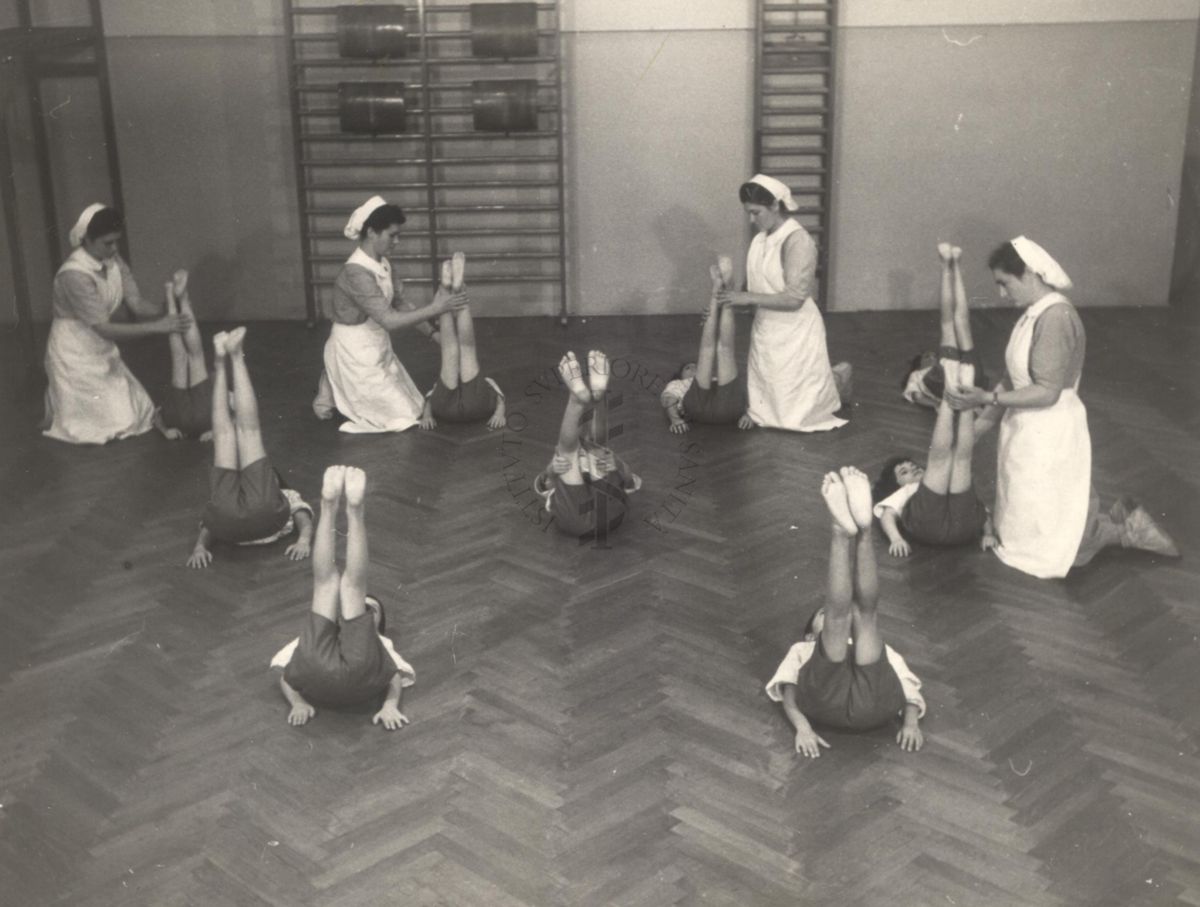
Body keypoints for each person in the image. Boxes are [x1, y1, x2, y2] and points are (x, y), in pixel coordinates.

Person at [946, 237, 1178, 578]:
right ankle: (1109, 521)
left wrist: (985, 399)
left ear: (1029, 274)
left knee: (1059, 532)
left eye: (1004, 284)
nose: (1001, 294)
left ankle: (1125, 530)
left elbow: (1047, 392)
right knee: (1038, 508)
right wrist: (979, 425)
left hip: (1050, 426)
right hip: (1027, 425)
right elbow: (1015, 378)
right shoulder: (1033, 314)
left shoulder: (1055, 318)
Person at [766, 468, 926, 757]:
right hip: (830, 703)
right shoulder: (803, 649)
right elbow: (789, 694)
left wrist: (911, 723)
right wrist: (803, 728)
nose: (827, 615)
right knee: (858, 618)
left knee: (863, 617)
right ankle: (855, 532)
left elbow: (906, 686)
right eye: (821, 615)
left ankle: (850, 531)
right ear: (809, 635)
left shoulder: (880, 650)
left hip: (872, 705)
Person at [270, 465, 415, 729]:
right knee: (348, 587)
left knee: (330, 586)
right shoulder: (375, 642)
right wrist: (298, 702)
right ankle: (351, 510)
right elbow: (395, 676)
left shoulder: (381, 642)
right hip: (332, 669)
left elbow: (284, 674)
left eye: (371, 611)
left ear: (378, 625)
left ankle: (331, 507)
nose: (366, 612)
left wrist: (390, 706)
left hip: (335, 669)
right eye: (369, 609)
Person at [873, 244, 994, 556]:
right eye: (906, 471)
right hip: (956, 526)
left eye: (909, 467)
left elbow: (953, 322)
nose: (912, 469)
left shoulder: (922, 486)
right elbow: (887, 514)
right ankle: (949, 265)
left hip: (942, 525)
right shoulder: (904, 495)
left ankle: (949, 265)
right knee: (961, 457)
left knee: (949, 457)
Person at [312, 196, 467, 433]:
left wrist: (434, 334)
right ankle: (333, 378)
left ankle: (334, 384)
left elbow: (401, 304)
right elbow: (389, 320)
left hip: (377, 345)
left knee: (415, 406)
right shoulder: (356, 272)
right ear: (372, 232)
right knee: (407, 416)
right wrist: (437, 307)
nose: (397, 241)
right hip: (352, 348)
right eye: (392, 235)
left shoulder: (383, 263)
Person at [42, 203, 191, 444]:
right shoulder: (74, 275)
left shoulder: (112, 259)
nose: (114, 249)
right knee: (112, 425)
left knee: (136, 416)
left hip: (101, 348)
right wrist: (158, 327)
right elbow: (103, 327)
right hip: (73, 353)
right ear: (87, 240)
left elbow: (136, 303)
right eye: (107, 243)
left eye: (116, 242)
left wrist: (167, 304)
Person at [718, 174, 850, 432]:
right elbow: (751, 289)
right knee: (766, 387)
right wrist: (728, 287)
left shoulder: (798, 241)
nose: (751, 220)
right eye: (748, 213)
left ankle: (840, 378)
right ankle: (761, 410)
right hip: (767, 324)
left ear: (775, 206)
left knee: (796, 415)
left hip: (796, 329)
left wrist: (745, 298)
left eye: (756, 212)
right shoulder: (760, 239)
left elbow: (794, 299)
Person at [187, 328, 314, 569]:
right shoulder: (287, 496)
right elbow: (303, 518)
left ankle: (225, 362)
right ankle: (232, 358)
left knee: (227, 436)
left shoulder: (282, 493)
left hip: (229, 523)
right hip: (260, 516)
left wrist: (199, 546)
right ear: (276, 483)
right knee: (235, 435)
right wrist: (304, 540)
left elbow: (208, 525)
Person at [533, 351, 641, 539]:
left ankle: (578, 399)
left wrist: (617, 466)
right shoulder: (568, 461)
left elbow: (629, 481)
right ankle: (597, 398)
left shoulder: (590, 452)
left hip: (591, 516)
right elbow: (547, 484)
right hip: (608, 516)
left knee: (582, 451)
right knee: (576, 453)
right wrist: (552, 470)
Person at [418, 253, 506, 430]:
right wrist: (499, 414)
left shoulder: (485, 384)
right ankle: (453, 289)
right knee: (452, 350)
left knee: (462, 349)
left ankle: (449, 290)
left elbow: (428, 400)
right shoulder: (487, 385)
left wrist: (427, 416)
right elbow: (499, 399)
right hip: (471, 408)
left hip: (448, 411)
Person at [661, 258, 748, 432]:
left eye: (692, 365)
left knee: (723, 350)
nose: (693, 367)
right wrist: (675, 420)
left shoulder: (716, 377)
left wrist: (751, 413)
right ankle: (722, 289)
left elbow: (750, 395)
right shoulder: (678, 385)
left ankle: (721, 289)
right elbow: (668, 401)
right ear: (679, 376)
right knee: (711, 350)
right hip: (698, 408)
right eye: (688, 368)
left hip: (729, 409)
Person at [156, 269, 213, 441]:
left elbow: (156, 415)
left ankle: (179, 299)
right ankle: (175, 298)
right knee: (179, 357)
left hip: (188, 420)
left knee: (194, 355)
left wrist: (165, 431)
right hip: (192, 421)